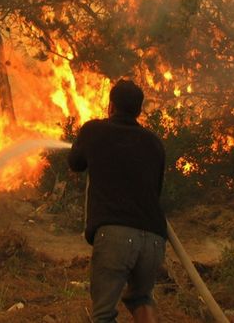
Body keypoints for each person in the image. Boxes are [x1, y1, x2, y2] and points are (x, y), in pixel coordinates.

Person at [68, 79, 167, 323]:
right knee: (142, 299)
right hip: (154, 238)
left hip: (116, 236)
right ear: (139, 110)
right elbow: (156, 190)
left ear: (111, 106)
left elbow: (75, 163)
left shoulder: (94, 130)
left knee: (103, 314)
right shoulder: (155, 143)